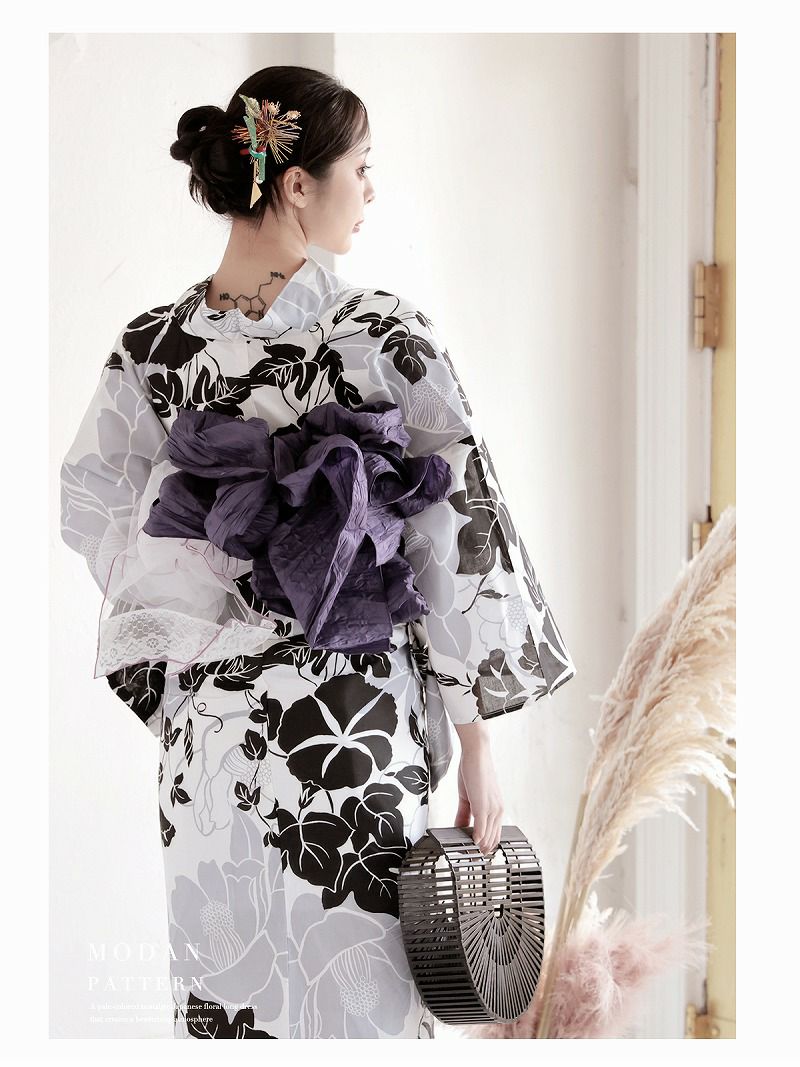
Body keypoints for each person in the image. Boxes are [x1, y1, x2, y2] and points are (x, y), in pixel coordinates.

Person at [59, 65, 576, 1040]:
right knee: (359, 999)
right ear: (297, 183)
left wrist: (196, 633)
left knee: (233, 1000)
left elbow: (92, 500)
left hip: (213, 738)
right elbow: (455, 528)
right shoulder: (379, 332)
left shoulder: (153, 348)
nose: (370, 190)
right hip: (348, 725)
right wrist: (476, 741)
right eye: (361, 167)